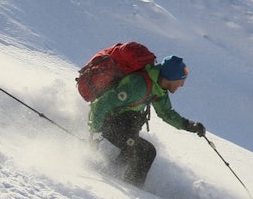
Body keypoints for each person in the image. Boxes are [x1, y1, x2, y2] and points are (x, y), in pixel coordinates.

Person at [88, 54, 206, 186]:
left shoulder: (159, 89)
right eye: (180, 81)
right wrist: (95, 132)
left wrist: (189, 125)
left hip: (123, 125)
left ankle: (109, 173)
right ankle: (131, 189)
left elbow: (166, 113)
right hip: (108, 123)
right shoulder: (139, 86)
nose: (182, 85)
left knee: (132, 148)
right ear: (170, 77)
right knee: (146, 152)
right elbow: (101, 104)